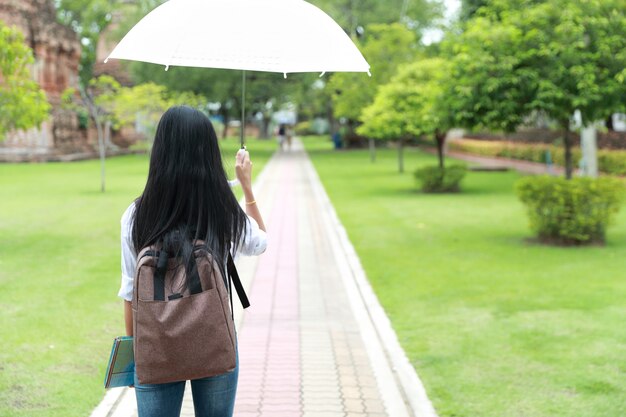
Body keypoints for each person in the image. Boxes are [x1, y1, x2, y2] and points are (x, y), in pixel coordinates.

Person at [117, 106, 267, 417]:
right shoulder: (222, 210)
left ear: (160, 152)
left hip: (155, 348)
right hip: (213, 340)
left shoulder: (136, 214)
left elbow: (130, 292)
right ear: (209, 153)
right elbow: (260, 243)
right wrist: (247, 187)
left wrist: (135, 355)